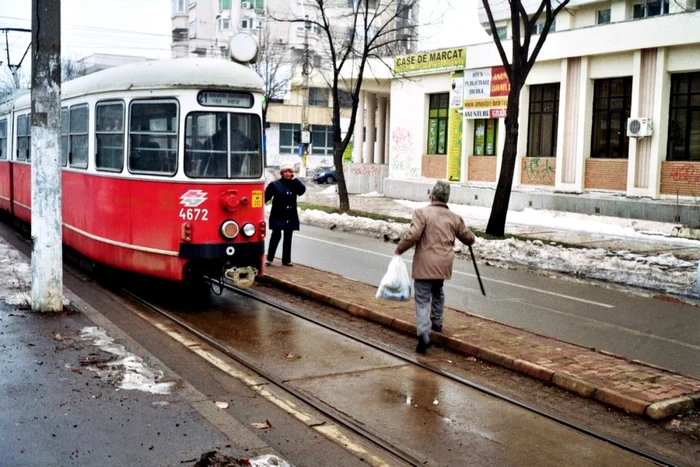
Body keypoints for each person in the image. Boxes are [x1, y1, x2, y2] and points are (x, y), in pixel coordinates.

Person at [394, 180, 476, 354]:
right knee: (438, 291)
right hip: (444, 263)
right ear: (446, 199)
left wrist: (399, 249)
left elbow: (413, 235)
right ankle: (437, 323)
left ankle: (424, 334)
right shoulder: (454, 217)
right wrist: (470, 238)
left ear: (431, 196)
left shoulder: (422, 213)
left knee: (422, 298)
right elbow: (468, 237)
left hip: (425, 263)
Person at [265, 161, 306, 267]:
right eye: (286, 172)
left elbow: (302, 191)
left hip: (290, 215)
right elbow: (266, 197)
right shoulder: (275, 185)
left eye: (290, 172)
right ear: (282, 173)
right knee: (276, 235)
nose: (288, 174)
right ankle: (270, 258)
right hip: (278, 214)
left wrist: (295, 179)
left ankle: (286, 260)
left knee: (288, 237)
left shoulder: (294, 184)